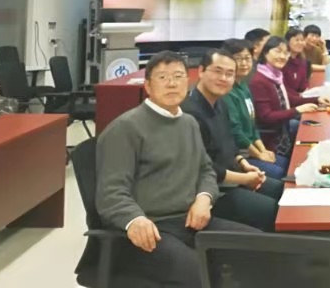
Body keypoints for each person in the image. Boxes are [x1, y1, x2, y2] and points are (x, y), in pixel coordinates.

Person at [96, 51, 258, 288]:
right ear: (148, 86)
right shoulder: (126, 128)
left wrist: (204, 198)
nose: (171, 83)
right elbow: (111, 192)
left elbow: (205, 170)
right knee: (204, 275)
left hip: (190, 221)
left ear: (187, 82)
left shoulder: (188, 122)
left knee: (261, 250)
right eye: (162, 77)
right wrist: (135, 220)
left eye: (178, 76)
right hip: (152, 227)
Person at [182, 49, 284, 232]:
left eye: (229, 74)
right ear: (201, 71)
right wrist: (244, 178)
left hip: (233, 176)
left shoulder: (220, 103)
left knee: (281, 190)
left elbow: (230, 144)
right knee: (273, 211)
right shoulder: (189, 113)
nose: (223, 78)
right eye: (217, 71)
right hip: (212, 190)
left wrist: (244, 163)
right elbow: (203, 166)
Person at [251, 36, 330, 160]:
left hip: (283, 131)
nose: (282, 56)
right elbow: (266, 117)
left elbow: (290, 100)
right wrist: (297, 110)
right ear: (265, 53)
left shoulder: (275, 76)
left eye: (285, 53)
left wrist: (317, 99)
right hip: (271, 142)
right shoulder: (259, 81)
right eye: (278, 51)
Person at [221, 38, 288, 179]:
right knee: (281, 172)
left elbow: (252, 125)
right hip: (240, 155)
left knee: (287, 164)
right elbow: (236, 132)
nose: (244, 63)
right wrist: (258, 155)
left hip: (252, 149)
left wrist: (263, 150)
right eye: (238, 59)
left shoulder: (243, 86)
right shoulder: (227, 91)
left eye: (247, 58)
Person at [282, 27, 310, 94]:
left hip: (299, 96)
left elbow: (304, 85)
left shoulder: (303, 62)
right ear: (287, 41)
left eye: (302, 40)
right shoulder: (282, 61)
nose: (300, 43)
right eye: (297, 40)